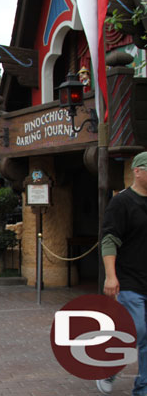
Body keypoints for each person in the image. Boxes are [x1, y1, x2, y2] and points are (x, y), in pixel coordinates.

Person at [97, 151, 147, 395]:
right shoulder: (122, 202)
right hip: (129, 279)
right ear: (137, 171)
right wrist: (110, 275)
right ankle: (109, 368)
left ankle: (143, 389)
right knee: (136, 330)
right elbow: (109, 239)